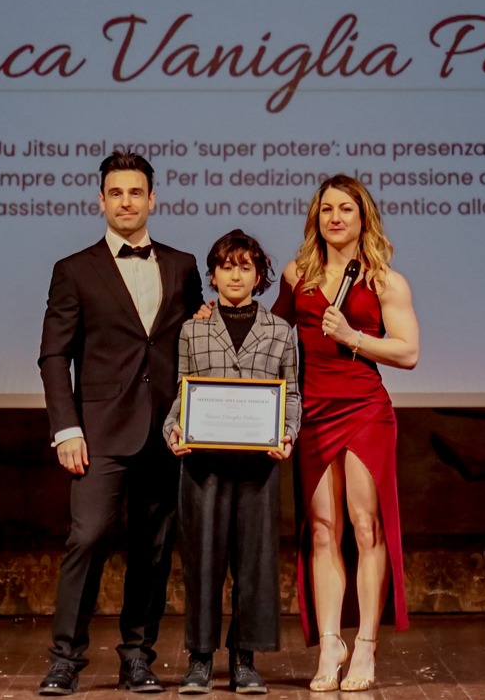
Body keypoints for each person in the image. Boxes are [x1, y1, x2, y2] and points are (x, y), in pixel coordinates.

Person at [37, 152, 207, 696]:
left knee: (153, 549)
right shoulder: (74, 269)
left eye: (136, 192)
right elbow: (54, 355)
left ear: (152, 199)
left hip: (166, 430)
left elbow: (198, 343)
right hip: (99, 431)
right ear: (101, 201)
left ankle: (137, 657)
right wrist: (67, 429)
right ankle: (65, 659)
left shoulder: (182, 265)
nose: (126, 202)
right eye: (116, 193)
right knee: (88, 538)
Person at [274, 175, 420, 693]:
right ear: (316, 218)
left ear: (363, 219)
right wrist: (215, 316)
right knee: (321, 529)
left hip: (363, 409)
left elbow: (407, 352)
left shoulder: (386, 282)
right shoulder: (298, 275)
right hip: (313, 410)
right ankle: (330, 642)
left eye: (346, 209)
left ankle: (365, 646)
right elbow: (268, 337)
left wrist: (353, 337)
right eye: (327, 209)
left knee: (365, 526)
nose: (335, 218)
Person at [162, 230, 302, 696]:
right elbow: (182, 390)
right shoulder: (193, 329)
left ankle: (245, 659)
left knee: (255, 562)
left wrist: (287, 432)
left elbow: (292, 394)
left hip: (259, 465)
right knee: (202, 561)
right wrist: (173, 428)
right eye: (226, 267)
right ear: (213, 274)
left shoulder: (280, 331)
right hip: (203, 465)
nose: (235, 275)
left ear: (260, 275)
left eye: (245, 267)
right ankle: (200, 659)